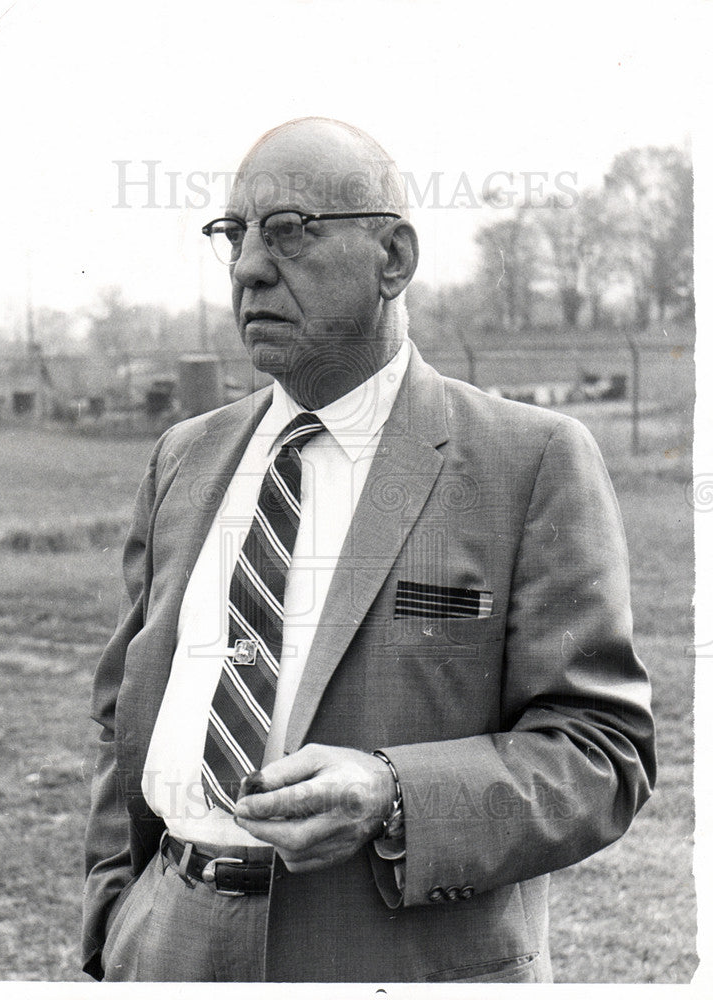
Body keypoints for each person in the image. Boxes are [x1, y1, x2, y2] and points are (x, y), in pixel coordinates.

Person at [82, 117, 655, 983]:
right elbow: (119, 709)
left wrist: (393, 792)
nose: (247, 268)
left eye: (288, 231)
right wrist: (116, 913)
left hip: (396, 959)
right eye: (234, 235)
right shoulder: (183, 459)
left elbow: (600, 753)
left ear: (393, 258)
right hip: (167, 946)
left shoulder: (528, 461)